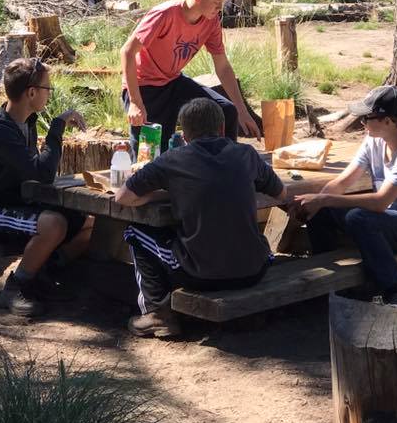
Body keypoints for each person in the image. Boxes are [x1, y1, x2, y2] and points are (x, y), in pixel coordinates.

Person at [113, 98, 285, 337]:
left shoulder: (172, 159)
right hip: (255, 268)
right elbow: (281, 193)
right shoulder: (246, 154)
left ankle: (157, 313)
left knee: (135, 232)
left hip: (201, 273)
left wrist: (164, 193)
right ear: (222, 128)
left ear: (184, 134)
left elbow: (122, 197)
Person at [292, 85, 397, 308]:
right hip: (387, 220)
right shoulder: (374, 140)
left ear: (388, 121)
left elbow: (380, 202)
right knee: (323, 208)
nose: (362, 122)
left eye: (367, 117)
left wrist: (323, 200)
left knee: (358, 218)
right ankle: (328, 280)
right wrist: (315, 203)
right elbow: (342, 182)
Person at [0, 57, 93, 316]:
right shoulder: (0, 129)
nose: (50, 93)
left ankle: (44, 275)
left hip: (18, 203)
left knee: (92, 223)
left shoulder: (26, 122)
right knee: (54, 224)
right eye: (48, 88)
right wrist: (57, 128)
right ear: (32, 92)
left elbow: (36, 173)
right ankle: (17, 286)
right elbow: (42, 173)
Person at [120, 0, 261, 155]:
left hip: (173, 81)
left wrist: (242, 111)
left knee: (227, 111)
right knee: (152, 154)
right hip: (144, 87)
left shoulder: (211, 22)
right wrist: (136, 103)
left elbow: (223, 67)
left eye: (222, 2)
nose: (220, 8)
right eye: (216, 2)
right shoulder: (165, 14)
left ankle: (224, 165)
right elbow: (127, 52)